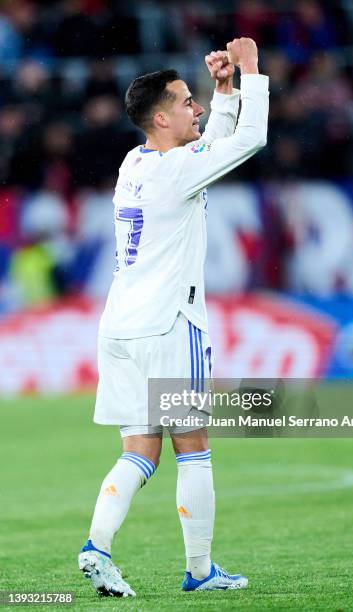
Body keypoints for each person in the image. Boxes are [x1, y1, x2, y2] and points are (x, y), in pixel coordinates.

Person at [78, 37, 269, 598]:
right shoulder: (175, 171)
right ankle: (202, 570)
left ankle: (97, 547)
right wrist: (253, 71)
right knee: (194, 447)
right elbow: (248, 141)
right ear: (161, 117)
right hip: (168, 325)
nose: (198, 108)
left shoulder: (136, 162)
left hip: (120, 328)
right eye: (188, 101)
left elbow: (208, 149)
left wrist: (225, 90)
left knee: (139, 452)